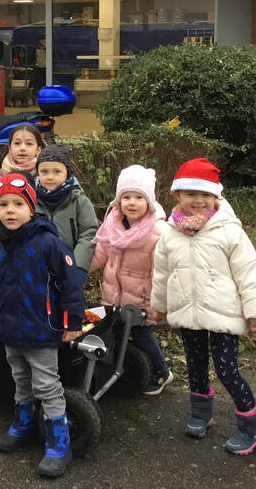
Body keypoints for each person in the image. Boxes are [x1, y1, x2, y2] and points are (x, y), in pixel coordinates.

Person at [151, 158, 256, 455]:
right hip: (187, 312)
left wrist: (255, 309)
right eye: (191, 193)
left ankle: (252, 425)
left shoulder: (229, 231)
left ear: (216, 197)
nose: (199, 201)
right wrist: (160, 306)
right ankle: (201, 413)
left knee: (227, 370)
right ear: (177, 195)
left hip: (223, 313)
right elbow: (162, 272)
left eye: (205, 195)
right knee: (195, 365)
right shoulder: (169, 232)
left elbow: (248, 271)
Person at [0, 173, 86, 479]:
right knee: (20, 380)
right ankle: (23, 425)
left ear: (31, 207)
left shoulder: (48, 243)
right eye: (4, 205)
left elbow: (71, 284)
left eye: (17, 204)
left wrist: (72, 320)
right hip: (10, 331)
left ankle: (58, 445)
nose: (10, 211)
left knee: (46, 386)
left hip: (41, 331)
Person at [89, 164, 173, 395]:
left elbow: (162, 272)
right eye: (126, 197)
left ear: (150, 201)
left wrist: (158, 305)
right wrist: (79, 270)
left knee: (142, 336)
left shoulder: (157, 231)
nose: (132, 203)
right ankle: (126, 368)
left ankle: (161, 372)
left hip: (141, 300)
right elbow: (101, 254)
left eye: (139, 197)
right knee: (117, 333)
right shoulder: (113, 223)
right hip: (113, 296)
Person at [33, 144, 98, 271]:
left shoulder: (79, 200)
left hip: (69, 267)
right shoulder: (32, 200)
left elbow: (89, 232)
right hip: (37, 269)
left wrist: (76, 265)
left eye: (57, 172)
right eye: (44, 172)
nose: (50, 176)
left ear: (67, 172)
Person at [0, 123, 45, 239]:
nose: (22, 148)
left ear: (38, 149)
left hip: (36, 237)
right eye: (17, 143)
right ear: (10, 148)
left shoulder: (43, 174)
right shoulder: (1, 175)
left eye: (29, 144)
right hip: (5, 236)